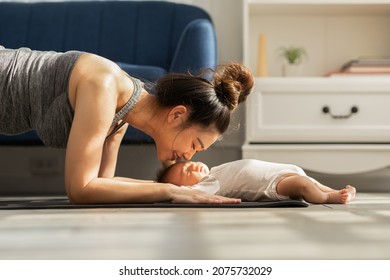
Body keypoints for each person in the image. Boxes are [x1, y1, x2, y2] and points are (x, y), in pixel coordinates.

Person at [0, 46, 254, 204]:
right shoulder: (105, 87)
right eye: (195, 144)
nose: (189, 156)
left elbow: (102, 183)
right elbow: (81, 189)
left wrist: (174, 188)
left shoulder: (120, 116)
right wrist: (168, 192)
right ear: (177, 115)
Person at [157, 159, 357, 204]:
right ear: (186, 186)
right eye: (186, 171)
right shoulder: (207, 186)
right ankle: (329, 197)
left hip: (283, 171)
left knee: (309, 181)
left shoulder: (215, 171)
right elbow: (186, 195)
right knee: (304, 186)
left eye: (190, 163)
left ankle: (338, 191)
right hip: (273, 184)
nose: (193, 165)